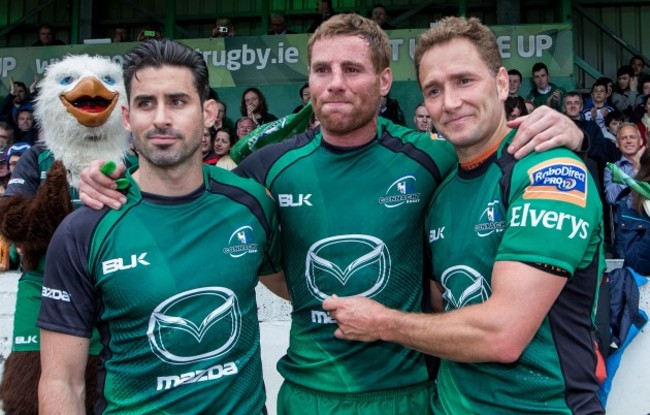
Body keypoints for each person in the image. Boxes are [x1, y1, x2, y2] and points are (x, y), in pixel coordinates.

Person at [78, 13, 586, 415]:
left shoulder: (434, 157)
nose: (335, 83)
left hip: (411, 392)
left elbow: (491, 149)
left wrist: (565, 131)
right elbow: (182, 176)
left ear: (385, 80)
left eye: (353, 69)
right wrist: (110, 172)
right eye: (322, 70)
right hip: (308, 390)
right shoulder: (268, 167)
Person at [323, 16, 605, 415]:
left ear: (502, 83)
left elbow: (503, 335)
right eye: (433, 90)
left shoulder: (550, 172)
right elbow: (444, 308)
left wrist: (381, 323)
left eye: (464, 81)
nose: (450, 103)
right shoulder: (441, 192)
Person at [36, 39, 284, 414]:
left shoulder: (252, 203)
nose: (161, 118)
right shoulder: (84, 229)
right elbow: (61, 381)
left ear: (210, 113)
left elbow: (298, 290)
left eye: (178, 101)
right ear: (125, 117)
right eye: (146, 103)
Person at [604, 123, 645, 206]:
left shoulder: (648, 165)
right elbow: (611, 198)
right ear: (617, 143)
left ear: (640, 141)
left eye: (632, 137)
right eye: (623, 138)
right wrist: (635, 171)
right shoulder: (611, 169)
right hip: (625, 218)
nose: (628, 141)